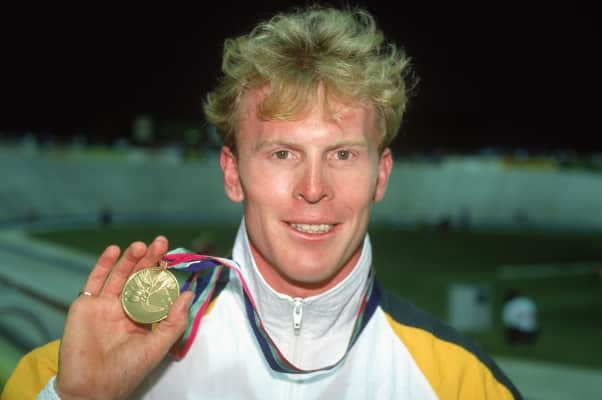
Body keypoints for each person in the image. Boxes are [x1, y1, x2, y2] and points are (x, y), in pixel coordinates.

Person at [2, 5, 522, 399]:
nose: (313, 187)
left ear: (380, 175)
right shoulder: (68, 375)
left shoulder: (462, 384)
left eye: (342, 154)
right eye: (282, 153)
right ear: (233, 173)